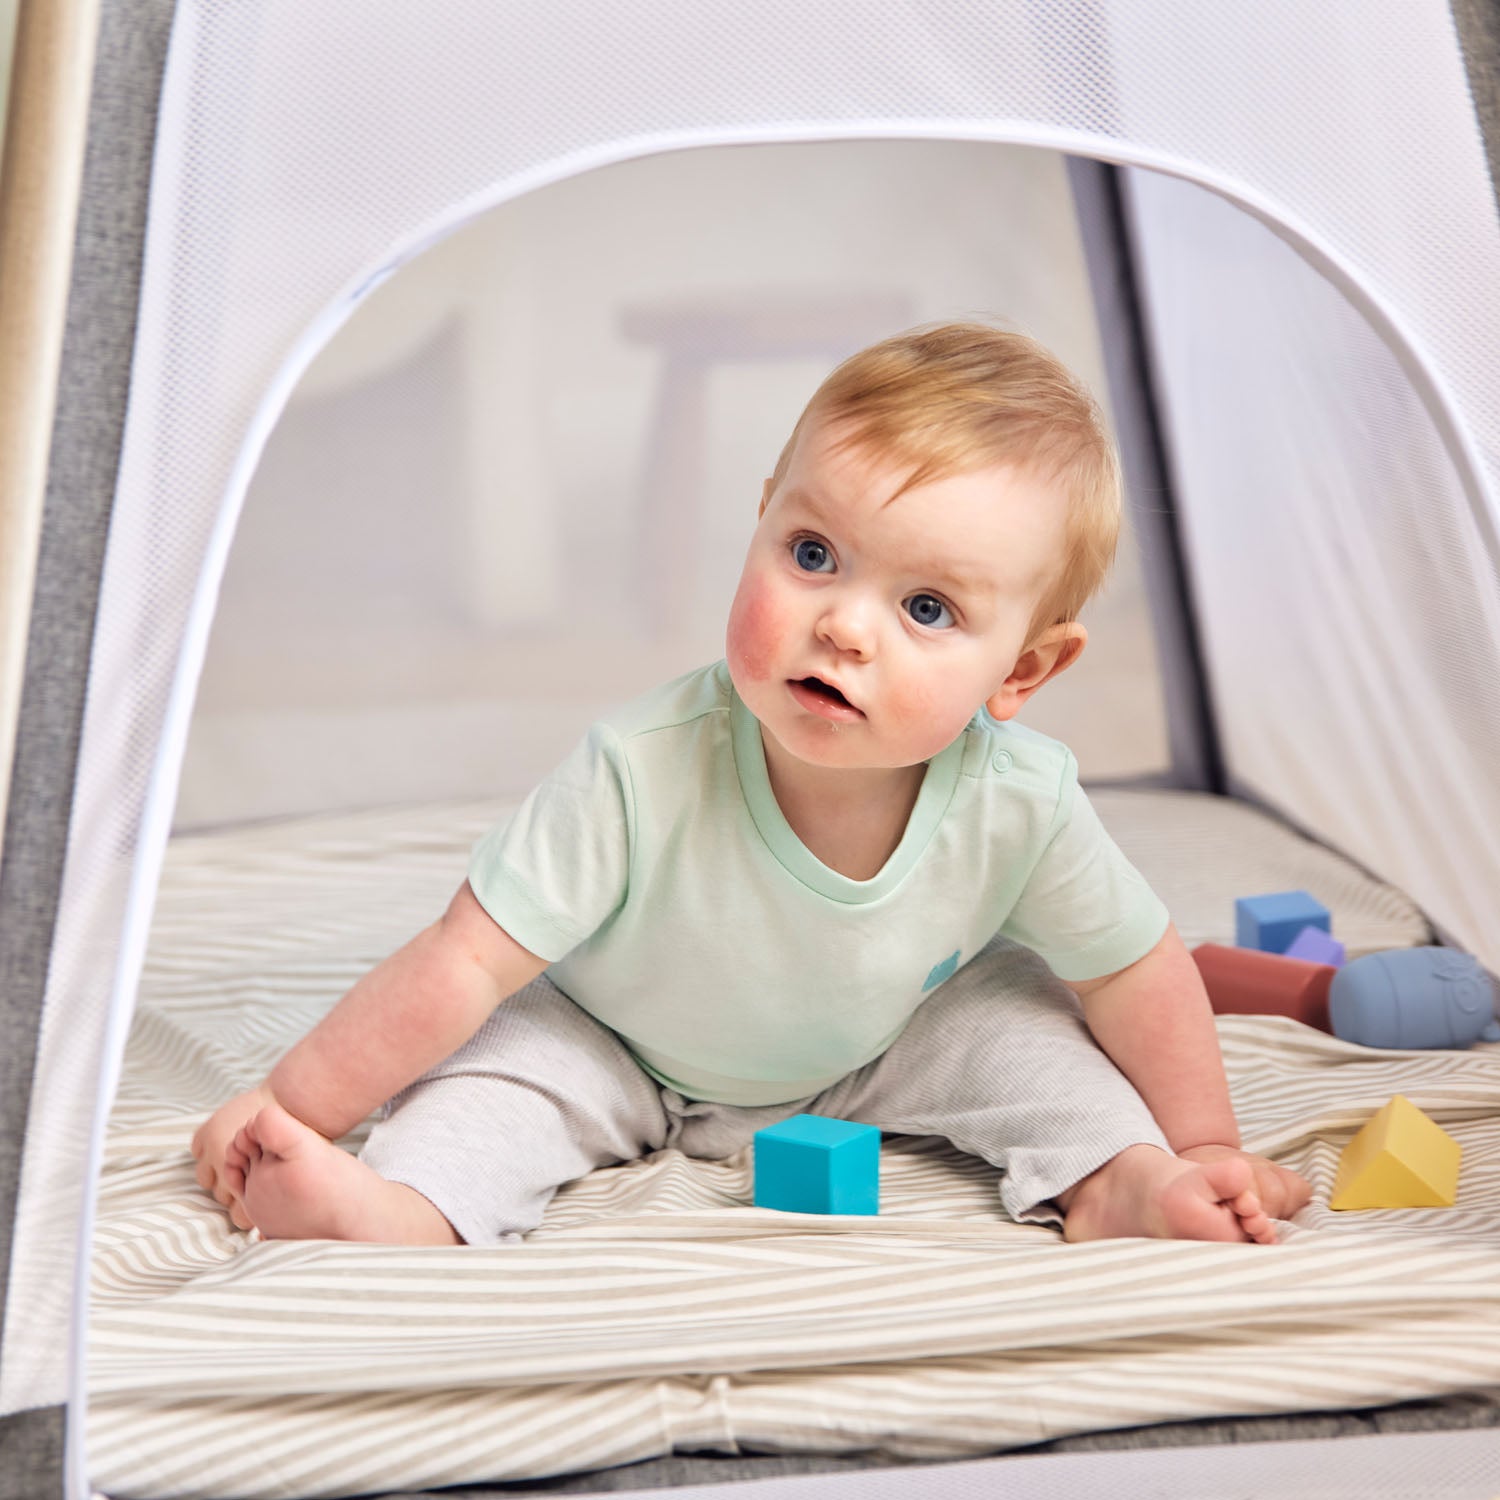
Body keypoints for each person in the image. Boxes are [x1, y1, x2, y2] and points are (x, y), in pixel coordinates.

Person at [192, 322, 1311, 1247]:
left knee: (1026, 1028)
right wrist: (291, 1107)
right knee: (494, 1072)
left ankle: (1121, 1183)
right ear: (764, 514)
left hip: (883, 1039)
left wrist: (1205, 1140)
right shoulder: (642, 766)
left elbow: (1136, 971)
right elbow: (464, 958)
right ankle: (395, 1211)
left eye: (927, 610)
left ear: (1020, 670)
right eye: (814, 553)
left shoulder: (1020, 802)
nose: (842, 626)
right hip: (613, 1039)